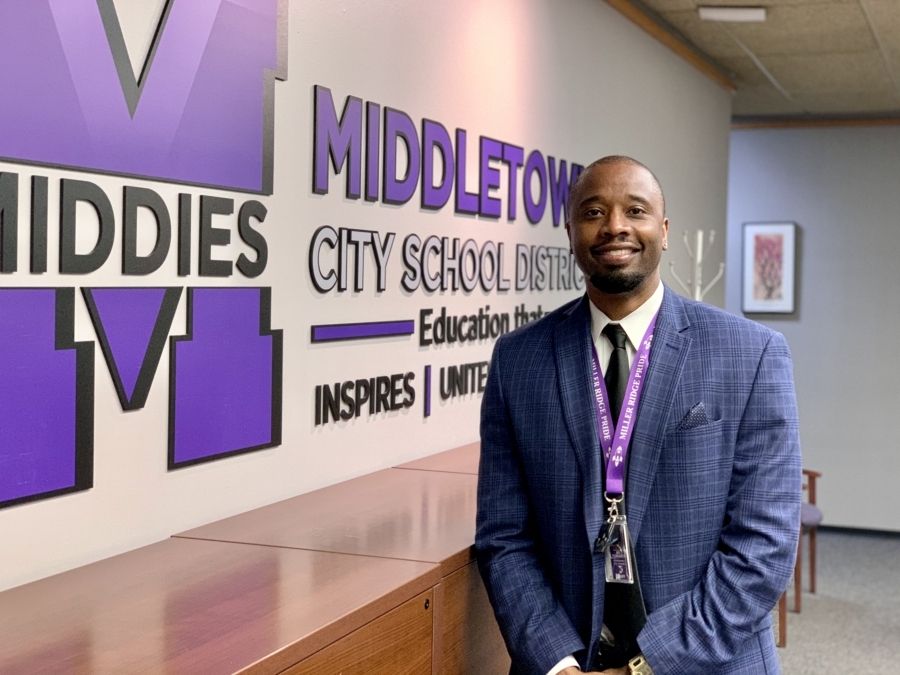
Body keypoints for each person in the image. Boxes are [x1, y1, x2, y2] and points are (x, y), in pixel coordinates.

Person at [475, 156, 801, 675]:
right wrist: (556, 663)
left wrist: (645, 668)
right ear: (570, 232)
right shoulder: (519, 360)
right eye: (594, 211)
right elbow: (504, 536)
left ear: (664, 231)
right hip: (567, 663)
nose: (615, 226)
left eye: (636, 210)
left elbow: (764, 544)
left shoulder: (750, 353)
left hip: (707, 660)